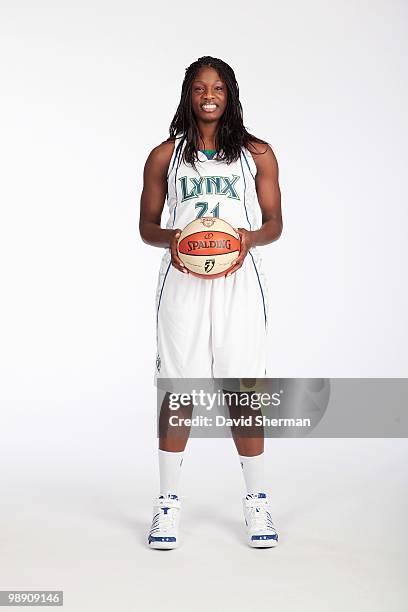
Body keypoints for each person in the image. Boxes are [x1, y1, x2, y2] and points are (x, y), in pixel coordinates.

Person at [139, 56, 282, 549]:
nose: (208, 94)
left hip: (239, 279)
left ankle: (258, 500)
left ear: (230, 93)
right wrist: (174, 241)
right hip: (181, 280)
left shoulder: (256, 154)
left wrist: (246, 239)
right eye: (200, 86)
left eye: (217, 87)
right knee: (179, 389)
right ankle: (167, 504)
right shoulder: (165, 155)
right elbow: (146, 227)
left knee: (243, 389)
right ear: (188, 93)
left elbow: (275, 224)